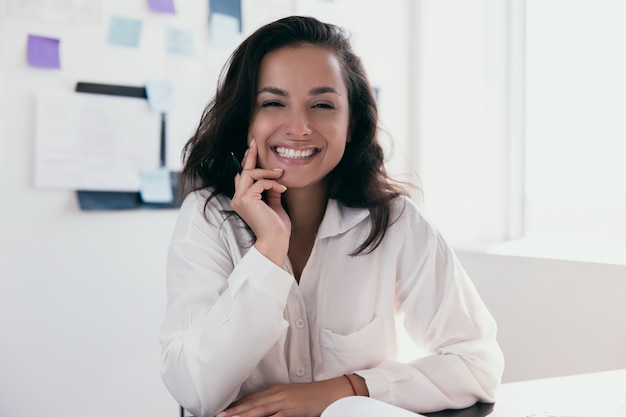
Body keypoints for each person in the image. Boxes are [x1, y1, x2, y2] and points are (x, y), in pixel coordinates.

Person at [159, 15, 504, 417]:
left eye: (322, 105)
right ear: (245, 119)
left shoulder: (393, 222)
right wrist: (268, 251)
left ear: (351, 121)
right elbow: (196, 390)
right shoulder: (206, 220)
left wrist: (345, 390)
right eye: (273, 103)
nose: (300, 127)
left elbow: (478, 364)